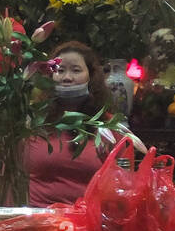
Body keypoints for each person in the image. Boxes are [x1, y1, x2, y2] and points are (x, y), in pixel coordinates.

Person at [26, 41, 113, 208]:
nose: (67, 77)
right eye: (60, 70)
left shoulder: (108, 126)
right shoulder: (33, 122)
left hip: (87, 222)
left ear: (91, 76)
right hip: (38, 221)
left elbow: (122, 183)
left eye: (76, 70)